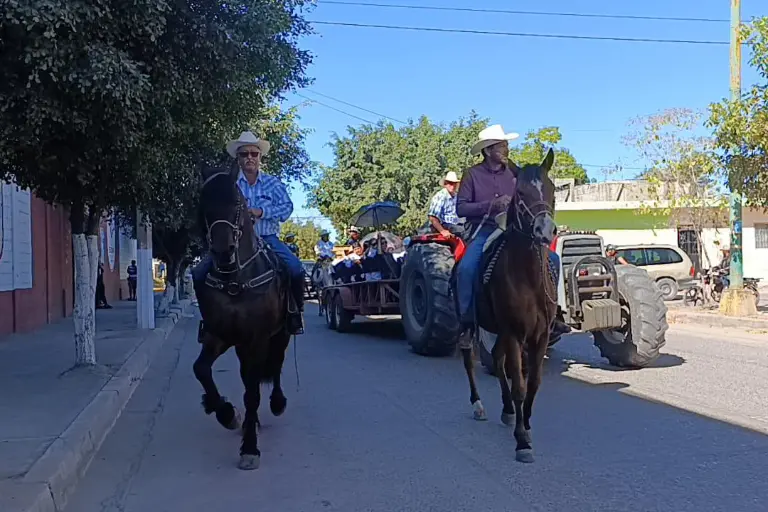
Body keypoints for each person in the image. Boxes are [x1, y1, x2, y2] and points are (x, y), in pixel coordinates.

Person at [455, 124, 570, 348]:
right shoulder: (472, 174)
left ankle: (552, 316)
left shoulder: (516, 173)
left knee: (553, 260)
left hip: (514, 230)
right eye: (501, 146)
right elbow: (461, 208)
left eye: (506, 145)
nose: (506, 149)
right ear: (488, 151)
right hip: (485, 229)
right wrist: (492, 204)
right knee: (466, 268)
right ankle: (467, 324)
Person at [192, 131, 306, 335]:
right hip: (235, 242)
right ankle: (208, 321)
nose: (250, 158)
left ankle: (294, 315)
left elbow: (287, 208)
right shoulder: (229, 185)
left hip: (268, 238)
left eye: (254, 153)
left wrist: (261, 212)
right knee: (199, 273)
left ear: (260, 157)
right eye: (244, 154)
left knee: (296, 268)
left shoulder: (273, 184)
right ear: (238, 159)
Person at [427, 171, 464, 237]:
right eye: (450, 183)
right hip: (444, 225)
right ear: (445, 184)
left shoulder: (456, 196)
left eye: (454, 183)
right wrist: (442, 231)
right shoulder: (440, 197)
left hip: (456, 225)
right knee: (464, 232)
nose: (452, 186)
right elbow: (432, 217)